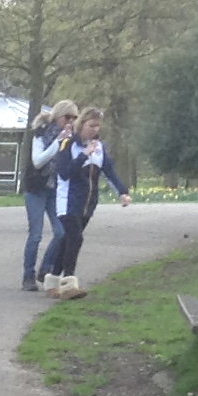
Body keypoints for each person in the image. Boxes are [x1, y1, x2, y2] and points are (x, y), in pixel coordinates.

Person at [41, 106, 131, 297]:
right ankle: (69, 283)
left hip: (88, 203)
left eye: (98, 126)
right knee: (76, 238)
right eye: (91, 125)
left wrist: (122, 192)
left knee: (67, 240)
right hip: (68, 202)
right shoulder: (68, 145)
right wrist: (84, 155)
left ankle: (52, 280)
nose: (95, 130)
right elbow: (64, 173)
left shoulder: (100, 148)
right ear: (82, 124)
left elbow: (109, 172)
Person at [20, 99, 78, 292]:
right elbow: (38, 161)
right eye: (67, 117)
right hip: (36, 188)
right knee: (35, 234)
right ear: (57, 116)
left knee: (61, 232)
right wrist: (57, 143)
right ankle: (28, 275)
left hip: (55, 190)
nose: (70, 121)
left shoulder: (72, 138)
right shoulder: (42, 133)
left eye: (74, 118)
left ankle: (45, 269)